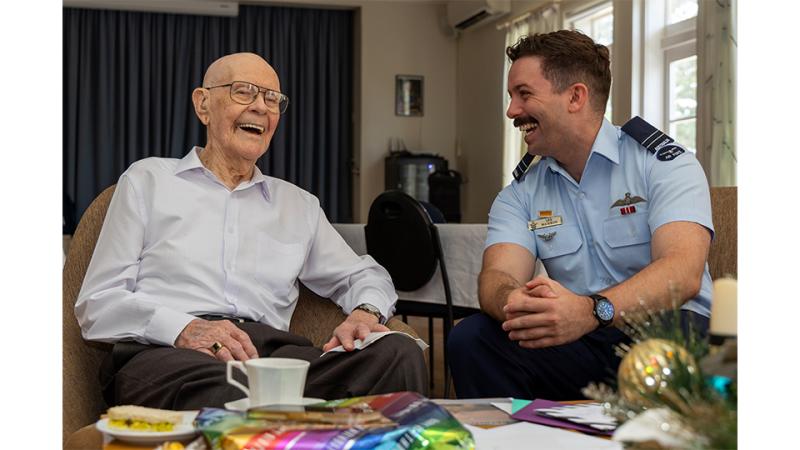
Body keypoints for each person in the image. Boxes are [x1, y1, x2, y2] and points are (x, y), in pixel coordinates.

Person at [75, 52, 427, 410]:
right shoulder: (147, 181)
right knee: (230, 393)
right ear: (203, 105)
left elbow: (363, 275)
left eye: (272, 98)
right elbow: (98, 304)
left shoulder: (297, 204)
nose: (261, 107)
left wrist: (365, 312)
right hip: (170, 355)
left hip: (273, 357)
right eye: (244, 92)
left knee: (399, 353)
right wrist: (185, 328)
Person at [447, 30, 714, 400]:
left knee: (666, 340)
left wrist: (591, 311)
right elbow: (497, 276)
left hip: (667, 331)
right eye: (511, 96)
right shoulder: (521, 192)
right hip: (579, 338)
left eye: (523, 94)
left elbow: (682, 274)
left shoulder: (665, 164)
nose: (511, 111)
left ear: (575, 96)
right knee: (473, 337)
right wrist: (518, 303)